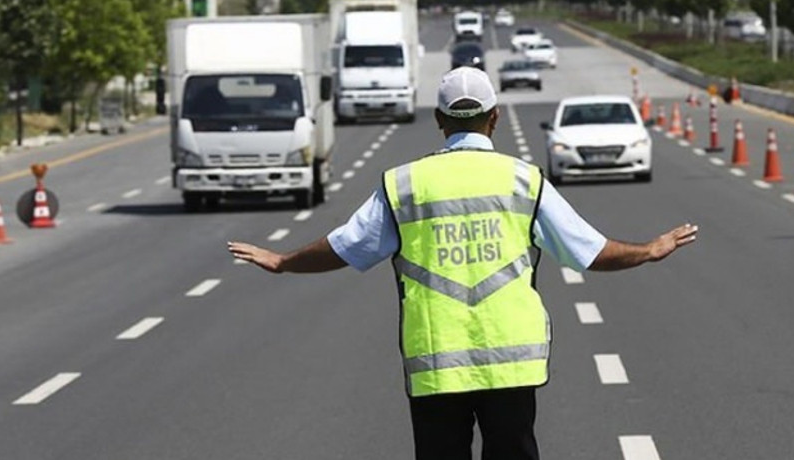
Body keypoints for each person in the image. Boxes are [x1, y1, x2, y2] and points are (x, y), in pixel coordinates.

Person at [227, 67, 698, 460]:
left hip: (437, 364)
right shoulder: (522, 180)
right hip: (512, 363)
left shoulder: (405, 184)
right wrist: (648, 250)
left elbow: (347, 246)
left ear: (439, 119)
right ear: (494, 118)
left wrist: (283, 260)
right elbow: (589, 251)